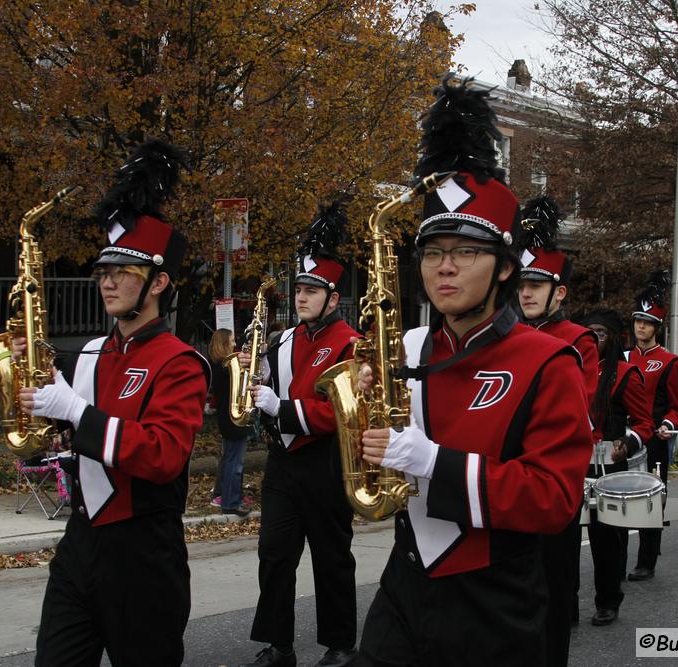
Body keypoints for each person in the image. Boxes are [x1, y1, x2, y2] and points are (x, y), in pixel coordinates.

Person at [356, 75, 593, 667]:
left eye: (466, 253)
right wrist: (360, 422)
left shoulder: (547, 361)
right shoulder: (406, 350)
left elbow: (555, 499)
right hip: (405, 579)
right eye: (434, 253)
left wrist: (435, 462)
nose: (445, 269)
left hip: (496, 596)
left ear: (506, 270)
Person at [20, 140, 209, 667]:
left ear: (158, 282)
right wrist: (40, 394)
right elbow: (67, 430)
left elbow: (162, 455)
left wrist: (77, 412)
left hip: (143, 553)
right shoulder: (90, 352)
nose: (107, 282)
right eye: (103, 271)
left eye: (122, 272)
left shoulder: (181, 362)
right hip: (80, 542)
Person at [239, 202, 359, 667]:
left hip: (325, 461)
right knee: (274, 555)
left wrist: (281, 408)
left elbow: (339, 414)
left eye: (312, 291)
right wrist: (258, 376)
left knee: (332, 558)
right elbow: (275, 386)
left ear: (332, 298)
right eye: (299, 289)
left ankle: (341, 645)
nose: (301, 297)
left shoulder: (351, 342)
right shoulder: (284, 338)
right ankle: (279, 644)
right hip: (283, 464)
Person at [516, 194, 599, 662]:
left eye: (537, 284)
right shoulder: (505, 334)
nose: (525, 293)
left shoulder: (577, 341)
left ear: (559, 291)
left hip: (550, 480)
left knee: (550, 595)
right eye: (522, 283)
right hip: (506, 479)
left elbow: (578, 411)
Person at [579, 308, 654, 627]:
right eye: (590, 332)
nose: (595, 338)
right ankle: (563, 605)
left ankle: (608, 601)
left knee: (607, 541)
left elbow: (644, 422)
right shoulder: (570, 369)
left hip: (609, 465)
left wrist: (629, 442)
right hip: (572, 463)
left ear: (613, 339)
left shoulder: (625, 374)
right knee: (560, 541)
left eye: (601, 333)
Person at [626, 270, 678, 581]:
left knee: (651, 501)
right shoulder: (622, 358)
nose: (641, 326)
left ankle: (647, 560)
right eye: (638, 320)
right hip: (625, 438)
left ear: (656, 327)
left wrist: (666, 423)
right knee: (617, 497)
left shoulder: (670, 362)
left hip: (654, 440)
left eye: (646, 322)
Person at [207, 328, 253, 516]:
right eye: (232, 341)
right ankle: (231, 502)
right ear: (224, 343)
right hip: (234, 419)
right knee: (235, 463)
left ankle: (225, 497)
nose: (234, 344)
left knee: (229, 460)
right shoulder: (225, 367)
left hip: (226, 419)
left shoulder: (217, 364)